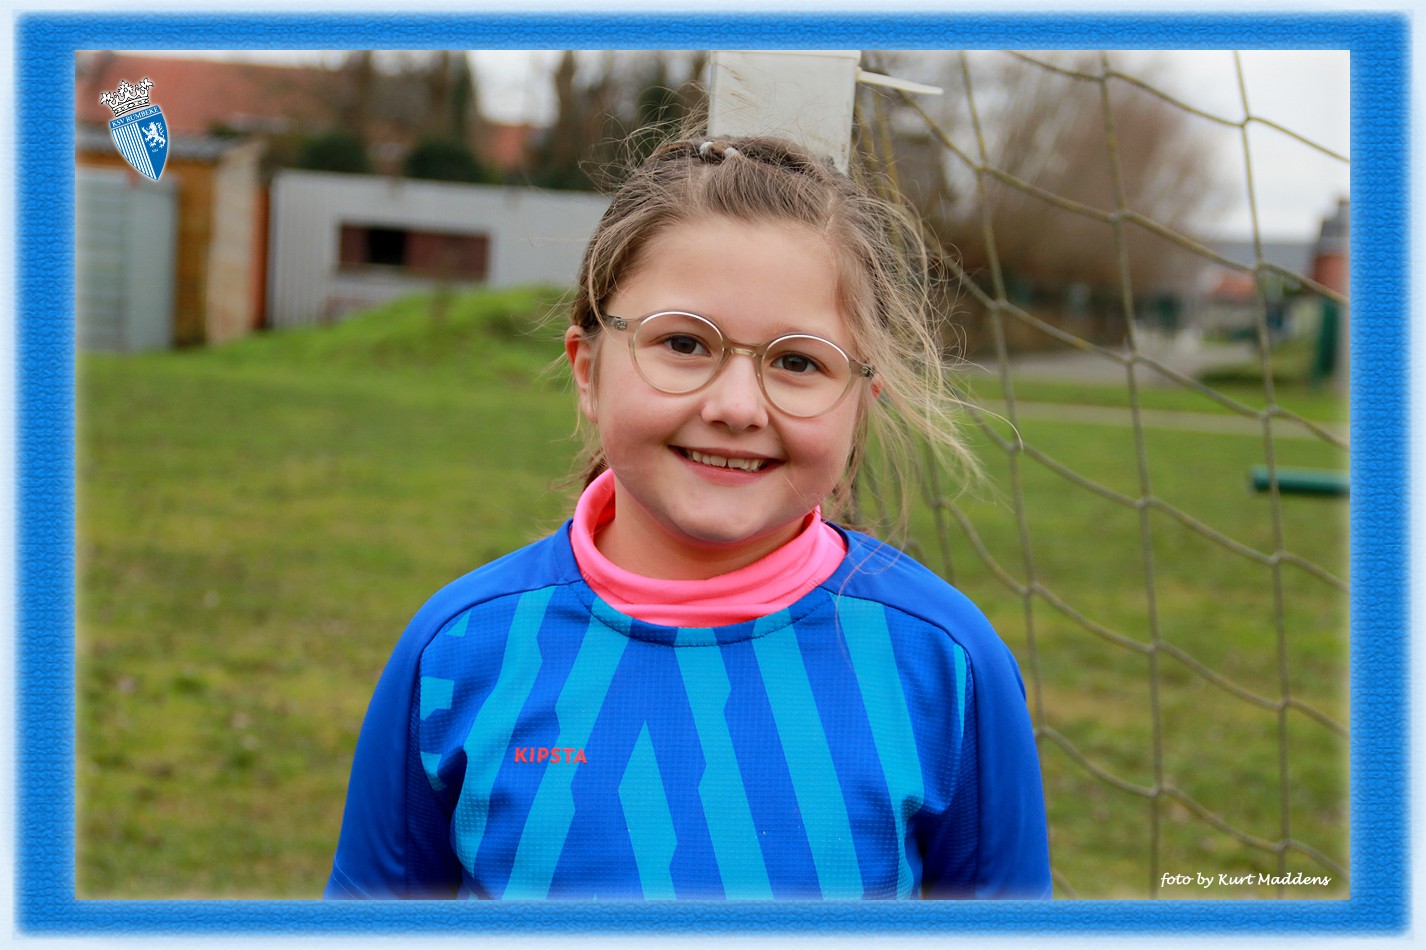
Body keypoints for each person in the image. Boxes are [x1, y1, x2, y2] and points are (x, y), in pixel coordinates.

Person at [324, 133, 1052, 901]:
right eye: (682, 343)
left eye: (797, 362)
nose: (736, 407)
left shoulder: (945, 664)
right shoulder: (459, 648)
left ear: (859, 405)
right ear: (587, 370)